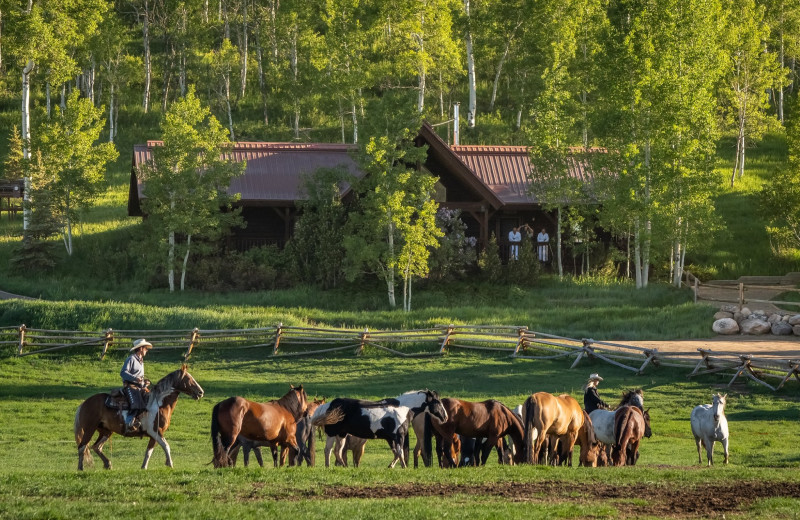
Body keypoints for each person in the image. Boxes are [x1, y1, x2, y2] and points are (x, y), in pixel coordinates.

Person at [120, 338, 152, 433]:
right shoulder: (131, 359)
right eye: (146, 348)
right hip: (130, 386)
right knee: (136, 402)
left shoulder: (141, 361)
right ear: (141, 348)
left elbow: (139, 377)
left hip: (139, 386)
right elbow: (123, 372)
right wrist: (135, 378)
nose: (147, 350)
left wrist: (144, 382)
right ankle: (129, 422)